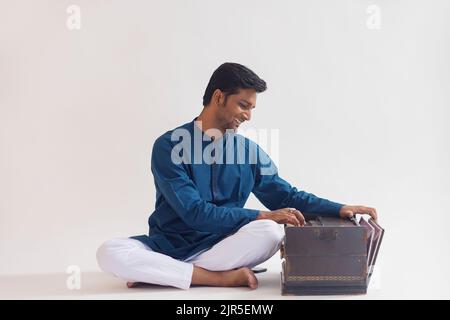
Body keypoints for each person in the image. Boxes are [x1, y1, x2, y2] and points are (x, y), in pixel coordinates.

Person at [96, 62, 377, 290]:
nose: (248, 116)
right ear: (219, 97)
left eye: (252, 108)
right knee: (109, 252)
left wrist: (339, 208)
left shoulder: (249, 152)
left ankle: (164, 275)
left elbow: (286, 196)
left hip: (221, 249)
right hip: (167, 247)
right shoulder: (169, 146)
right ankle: (215, 278)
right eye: (244, 105)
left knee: (269, 233)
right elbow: (195, 212)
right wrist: (262, 215)